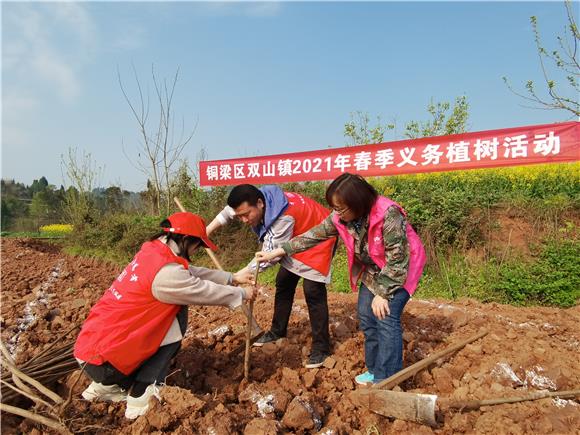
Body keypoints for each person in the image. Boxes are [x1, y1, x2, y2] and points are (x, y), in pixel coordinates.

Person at [74, 212, 255, 419]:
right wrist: (242, 293)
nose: (196, 251)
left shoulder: (152, 251)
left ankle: (106, 388)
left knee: (158, 319)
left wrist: (232, 278)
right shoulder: (167, 273)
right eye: (197, 246)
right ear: (185, 240)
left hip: (92, 353)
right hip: (106, 362)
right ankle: (142, 396)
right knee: (176, 315)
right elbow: (201, 290)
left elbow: (189, 271)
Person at [256, 173, 426, 385]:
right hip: (373, 269)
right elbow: (314, 235)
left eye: (340, 208)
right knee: (366, 316)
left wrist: (383, 293)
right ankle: (375, 371)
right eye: (334, 208)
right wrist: (279, 251)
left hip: (399, 269)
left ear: (358, 203)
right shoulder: (341, 217)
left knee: (385, 316)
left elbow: (398, 259)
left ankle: (388, 378)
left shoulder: (388, 214)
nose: (336, 213)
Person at [206, 184, 336, 369]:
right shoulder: (255, 199)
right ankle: (277, 331)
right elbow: (228, 213)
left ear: (259, 203)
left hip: (319, 236)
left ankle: (321, 349)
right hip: (295, 238)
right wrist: (206, 232)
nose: (243, 220)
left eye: (246, 215)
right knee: (283, 281)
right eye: (239, 216)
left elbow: (268, 257)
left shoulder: (283, 218)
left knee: (312, 289)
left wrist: (237, 276)